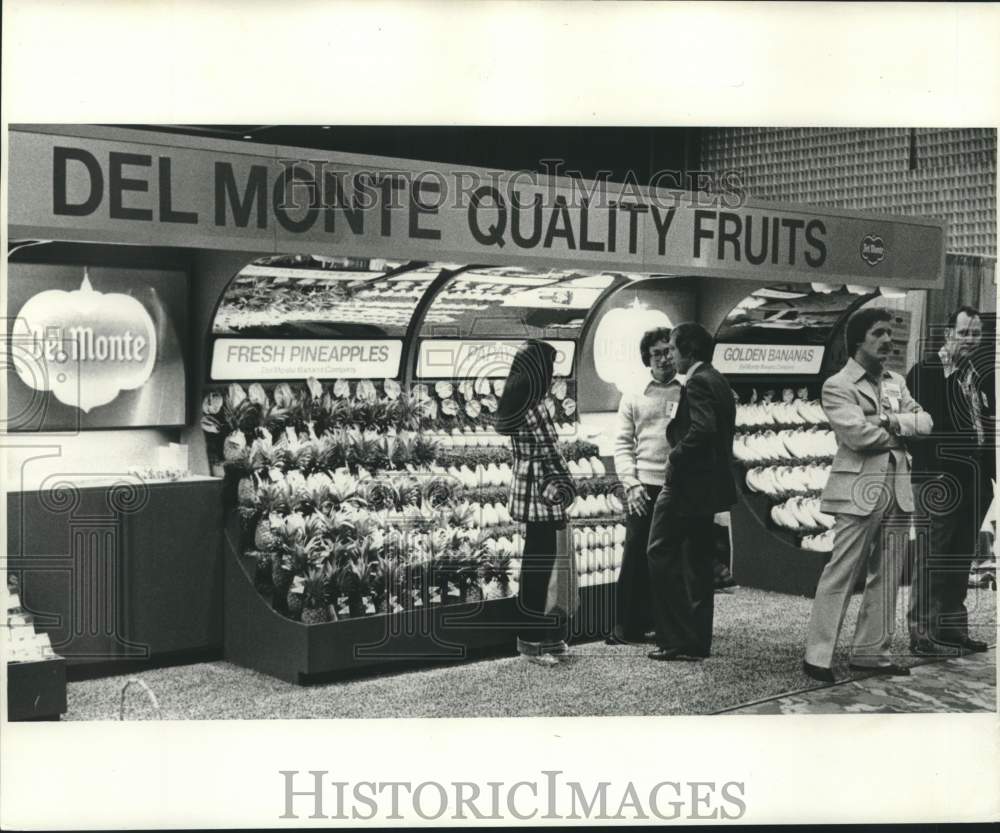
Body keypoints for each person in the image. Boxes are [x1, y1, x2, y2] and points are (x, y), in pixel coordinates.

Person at [803, 308, 933, 683]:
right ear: (858, 340)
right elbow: (856, 436)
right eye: (878, 333)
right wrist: (900, 429)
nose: (888, 340)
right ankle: (818, 656)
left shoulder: (896, 381)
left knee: (889, 575)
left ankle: (871, 654)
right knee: (841, 572)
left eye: (889, 333)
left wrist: (889, 421)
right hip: (857, 489)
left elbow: (926, 422)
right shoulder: (837, 384)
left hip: (898, 487)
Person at [646, 322, 737, 661]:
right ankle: (697, 640)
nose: (669, 355)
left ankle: (676, 637)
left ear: (688, 350)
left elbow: (702, 428)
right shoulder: (718, 379)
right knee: (698, 563)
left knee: (659, 552)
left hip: (686, 486)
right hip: (709, 489)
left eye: (672, 348)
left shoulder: (698, 381)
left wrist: (675, 456)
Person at [906, 305, 992, 656]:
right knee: (932, 556)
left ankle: (952, 628)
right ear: (947, 334)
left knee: (959, 558)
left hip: (974, 481)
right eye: (964, 333)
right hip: (938, 480)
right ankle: (922, 632)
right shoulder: (925, 372)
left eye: (976, 333)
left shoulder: (978, 375)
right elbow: (913, 425)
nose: (971, 339)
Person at [496, 339, 577, 667]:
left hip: (527, 489)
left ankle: (543, 637)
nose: (554, 373)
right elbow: (550, 454)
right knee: (542, 568)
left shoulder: (516, 401)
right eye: (551, 367)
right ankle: (533, 640)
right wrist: (569, 488)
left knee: (537, 565)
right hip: (545, 490)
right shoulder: (537, 405)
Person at [607, 327, 683, 645]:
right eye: (657, 353)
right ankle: (627, 627)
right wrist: (631, 483)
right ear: (646, 358)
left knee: (671, 559)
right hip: (643, 488)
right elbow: (623, 443)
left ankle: (663, 625)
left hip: (677, 487)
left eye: (669, 350)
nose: (665, 358)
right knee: (636, 556)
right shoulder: (634, 394)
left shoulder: (688, 390)